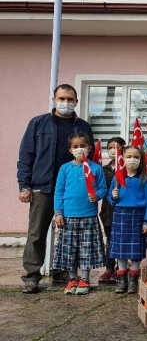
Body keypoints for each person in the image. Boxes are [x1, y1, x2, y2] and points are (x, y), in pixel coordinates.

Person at [18, 84, 95, 294]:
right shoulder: (38, 123)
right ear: (54, 100)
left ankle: (62, 271)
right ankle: (32, 276)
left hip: (72, 191)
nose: (66, 103)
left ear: (76, 102)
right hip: (42, 187)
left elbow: (91, 158)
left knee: (68, 233)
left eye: (70, 99)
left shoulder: (83, 127)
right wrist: (24, 185)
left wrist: (90, 187)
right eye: (62, 98)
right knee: (37, 233)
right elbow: (26, 155)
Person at [52, 133, 107, 295]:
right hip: (68, 217)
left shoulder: (96, 168)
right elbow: (59, 192)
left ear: (89, 148)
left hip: (89, 216)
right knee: (69, 250)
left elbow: (103, 188)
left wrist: (97, 196)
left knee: (86, 249)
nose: (79, 149)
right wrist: (58, 213)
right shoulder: (65, 169)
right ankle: (72, 279)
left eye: (82, 146)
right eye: (75, 147)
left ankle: (84, 278)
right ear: (70, 150)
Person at [109, 145, 147, 294]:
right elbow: (111, 200)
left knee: (136, 249)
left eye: (136, 157)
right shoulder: (117, 178)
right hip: (121, 215)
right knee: (120, 249)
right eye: (129, 157)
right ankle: (122, 279)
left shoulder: (143, 179)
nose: (132, 159)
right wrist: (114, 196)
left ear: (140, 159)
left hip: (138, 215)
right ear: (122, 158)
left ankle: (133, 279)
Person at [98, 137, 126, 283]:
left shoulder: (128, 169)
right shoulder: (104, 170)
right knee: (109, 241)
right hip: (107, 211)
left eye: (115, 147)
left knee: (120, 241)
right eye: (109, 148)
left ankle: (120, 269)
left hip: (123, 211)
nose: (112, 150)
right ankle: (109, 268)